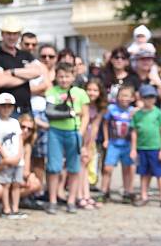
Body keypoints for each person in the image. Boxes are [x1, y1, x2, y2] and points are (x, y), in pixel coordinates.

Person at [44, 62, 89, 214]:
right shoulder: (52, 91)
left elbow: (85, 115)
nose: (63, 79)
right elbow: (49, 113)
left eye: (67, 76)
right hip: (55, 132)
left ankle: (71, 200)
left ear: (73, 76)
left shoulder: (80, 93)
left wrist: (80, 133)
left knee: (74, 167)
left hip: (73, 132)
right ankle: (52, 200)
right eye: (61, 76)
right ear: (56, 76)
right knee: (54, 167)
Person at [0, 16, 43, 116]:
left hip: (26, 109)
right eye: (8, 33)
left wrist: (12, 72)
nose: (12, 37)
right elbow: (0, 81)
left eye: (15, 34)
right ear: (2, 34)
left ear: (19, 35)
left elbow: (38, 72)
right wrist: (26, 77)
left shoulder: (25, 54)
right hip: (6, 112)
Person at [0, 93, 25, 219]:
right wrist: (6, 158)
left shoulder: (15, 122)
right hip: (5, 159)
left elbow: (20, 139)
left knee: (16, 184)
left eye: (9, 106)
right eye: (3, 106)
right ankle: (6, 209)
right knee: (5, 184)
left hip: (17, 159)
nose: (6, 108)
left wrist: (19, 155)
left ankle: (15, 209)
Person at [101, 85, 137, 203]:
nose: (124, 98)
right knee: (108, 168)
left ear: (132, 98)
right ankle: (104, 191)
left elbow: (135, 130)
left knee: (127, 168)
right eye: (121, 95)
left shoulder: (133, 111)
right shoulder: (111, 109)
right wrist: (106, 139)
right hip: (113, 143)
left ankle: (127, 192)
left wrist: (133, 147)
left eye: (127, 96)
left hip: (127, 144)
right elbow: (105, 124)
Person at [130, 84, 161, 206]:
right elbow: (134, 132)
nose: (150, 100)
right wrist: (133, 149)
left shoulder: (158, 113)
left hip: (155, 148)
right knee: (144, 173)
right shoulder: (137, 115)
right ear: (141, 98)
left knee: (159, 174)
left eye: (152, 97)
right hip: (142, 148)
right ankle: (144, 196)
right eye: (147, 97)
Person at [30, 44, 56, 193]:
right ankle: (38, 190)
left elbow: (51, 90)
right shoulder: (35, 68)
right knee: (37, 157)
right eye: (43, 56)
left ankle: (51, 190)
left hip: (52, 116)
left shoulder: (59, 72)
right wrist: (43, 88)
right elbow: (30, 90)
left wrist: (44, 88)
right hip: (37, 114)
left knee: (52, 158)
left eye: (50, 56)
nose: (47, 59)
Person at [82, 79, 107, 208]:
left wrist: (90, 145)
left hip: (90, 139)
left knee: (86, 166)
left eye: (95, 90)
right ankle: (82, 195)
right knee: (80, 166)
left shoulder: (100, 106)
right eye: (89, 89)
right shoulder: (81, 103)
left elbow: (96, 125)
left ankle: (86, 195)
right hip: (80, 137)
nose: (92, 93)